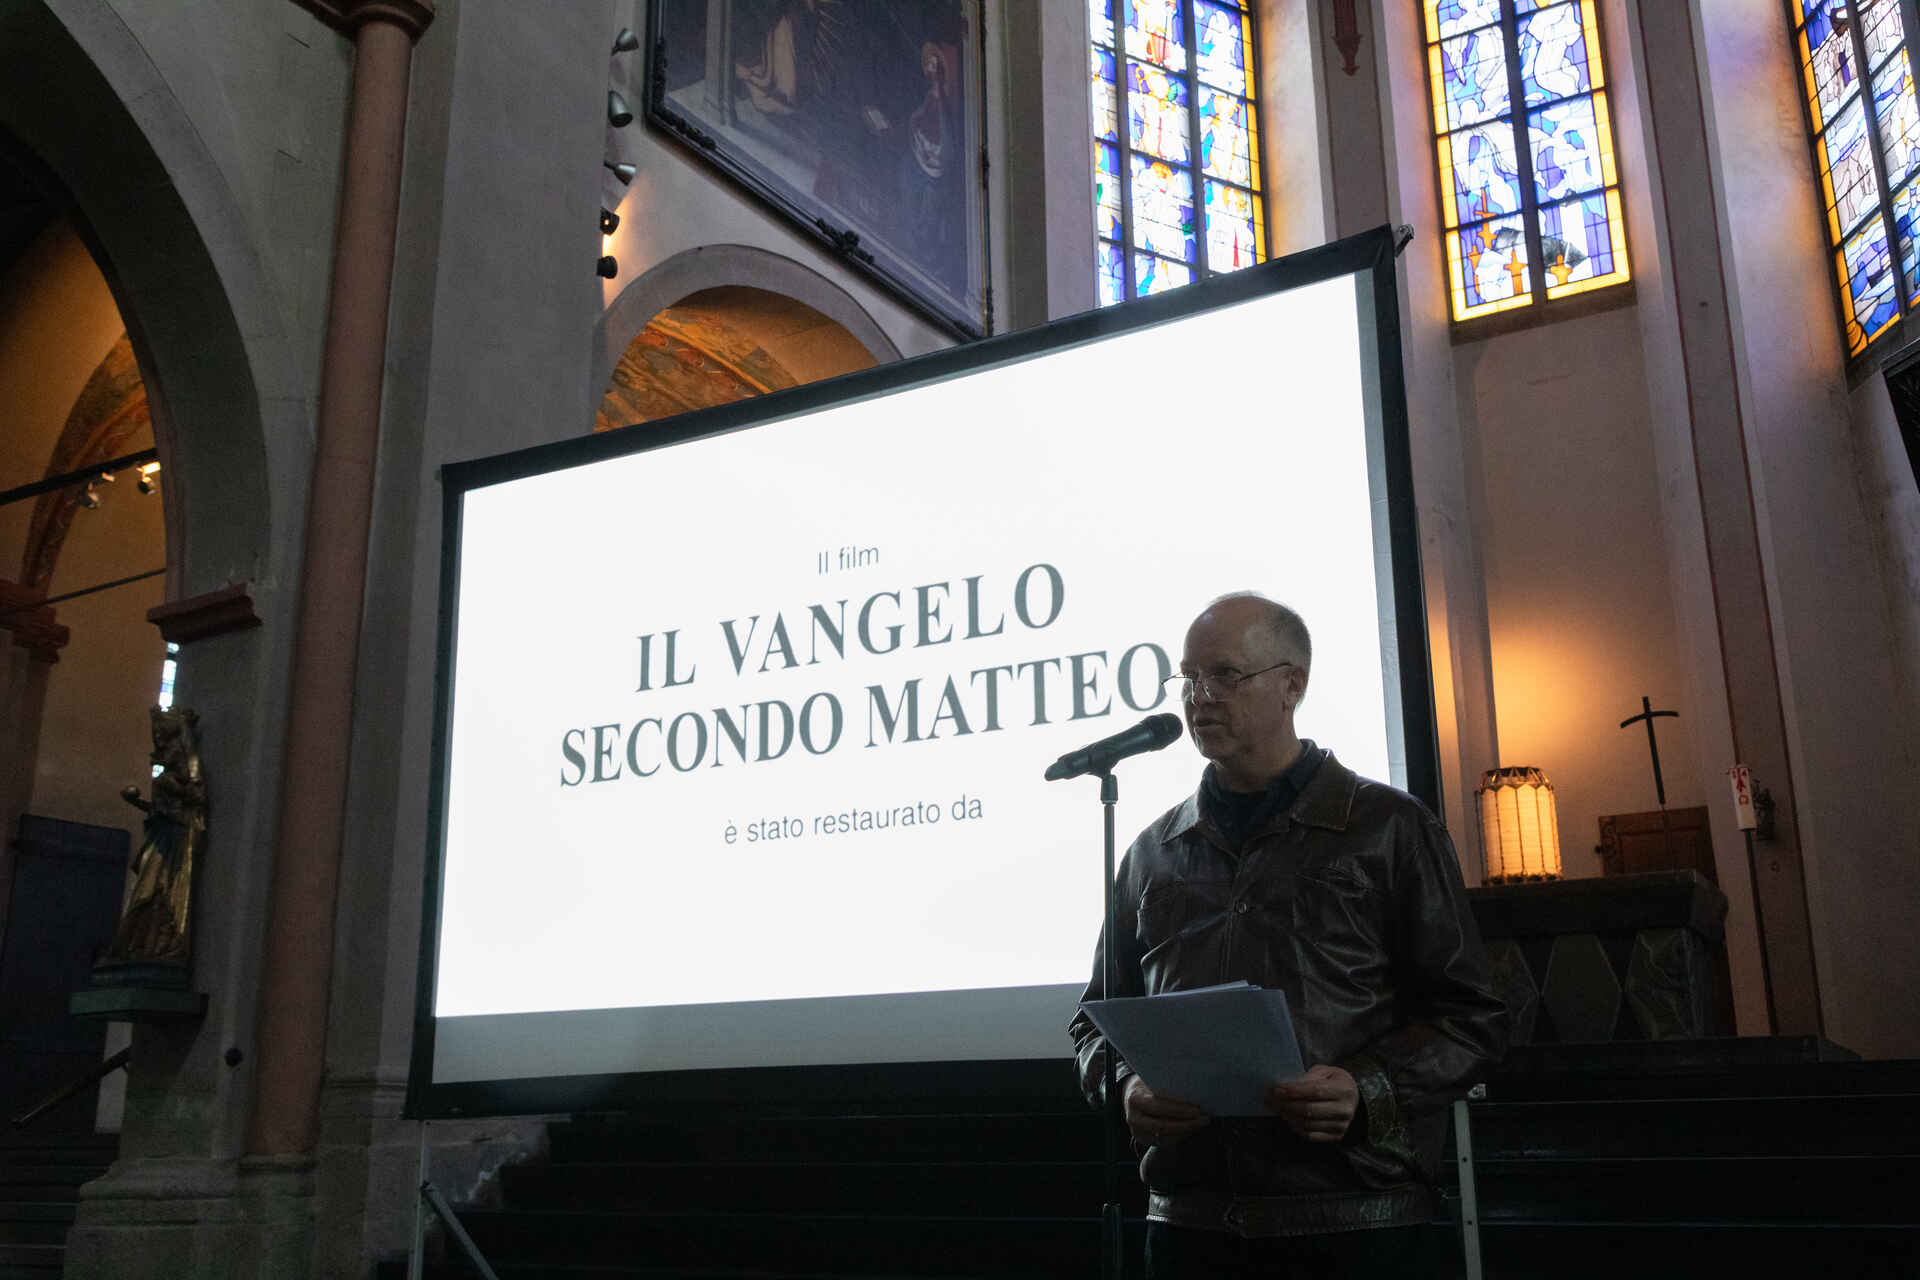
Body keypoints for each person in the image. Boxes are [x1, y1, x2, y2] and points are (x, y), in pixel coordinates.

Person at [1067, 593, 1508, 1279]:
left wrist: (1367, 1087)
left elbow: (1473, 1019)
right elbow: (1093, 1026)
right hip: (1189, 1230)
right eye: (1189, 677)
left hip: (1358, 1225)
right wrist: (1126, 1087)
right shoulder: (1153, 852)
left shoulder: (1389, 827)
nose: (1199, 697)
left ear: (1291, 685)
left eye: (1224, 674)